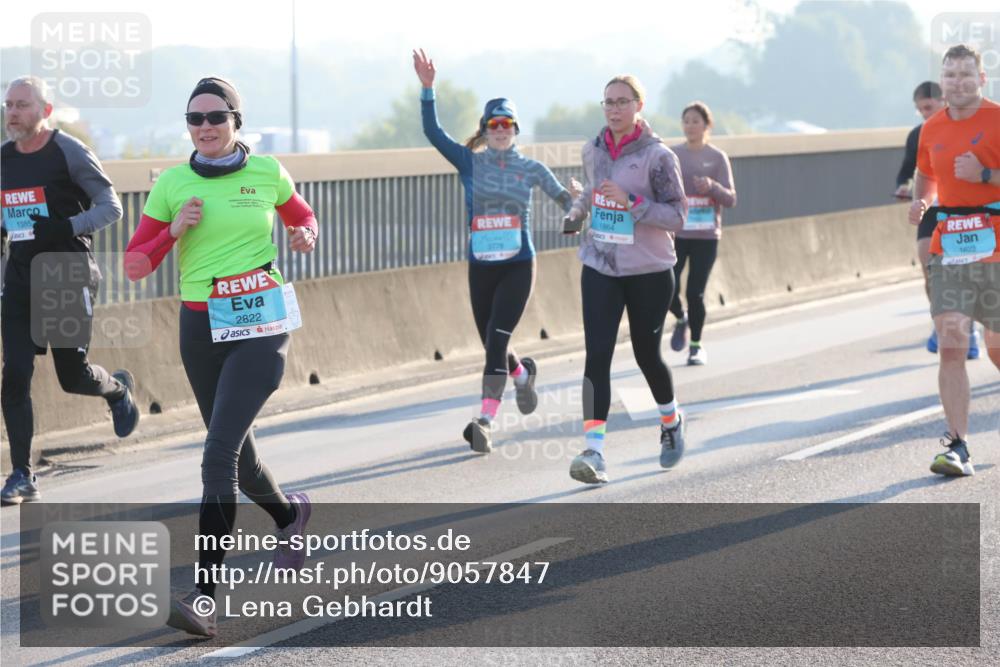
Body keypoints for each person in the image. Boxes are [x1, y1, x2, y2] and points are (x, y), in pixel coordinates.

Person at [124, 77, 318, 637]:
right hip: (201, 326)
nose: (205, 127)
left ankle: (204, 598)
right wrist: (172, 231)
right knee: (240, 459)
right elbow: (134, 265)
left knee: (217, 456)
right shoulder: (173, 184)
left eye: (216, 117)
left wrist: (305, 235)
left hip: (262, 322)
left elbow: (303, 217)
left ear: (236, 121)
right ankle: (290, 515)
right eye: (195, 119)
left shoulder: (268, 172)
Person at [412, 49, 582, 453]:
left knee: (495, 340)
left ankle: (484, 422)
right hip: (481, 265)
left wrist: (577, 204)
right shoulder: (469, 162)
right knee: (493, 342)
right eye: (494, 124)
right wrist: (428, 89)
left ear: (515, 130)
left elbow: (565, 202)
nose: (501, 130)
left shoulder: (531, 168)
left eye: (507, 124)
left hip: (518, 265)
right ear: (485, 130)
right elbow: (433, 133)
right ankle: (521, 375)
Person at [1, 76, 139, 505]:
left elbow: (111, 207)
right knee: (14, 375)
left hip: (66, 273)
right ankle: (22, 474)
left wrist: (65, 227)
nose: (12, 113)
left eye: (22, 105)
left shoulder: (69, 151)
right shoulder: (3, 158)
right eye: (8, 105)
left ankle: (118, 390)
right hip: (20, 278)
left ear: (45, 111)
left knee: (72, 377)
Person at [563, 74, 688, 484]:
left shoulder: (658, 156)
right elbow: (594, 192)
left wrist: (632, 202)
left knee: (645, 355)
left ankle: (671, 421)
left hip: (649, 269)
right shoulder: (592, 150)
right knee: (597, 355)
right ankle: (594, 452)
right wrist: (577, 212)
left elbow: (677, 215)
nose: (614, 109)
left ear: (638, 106)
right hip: (601, 264)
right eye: (608, 102)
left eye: (622, 102)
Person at [907, 44, 1000, 477]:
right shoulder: (931, 128)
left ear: (981, 79)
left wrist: (985, 175)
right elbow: (926, 174)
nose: (957, 82)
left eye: (965, 74)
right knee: (951, 343)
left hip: (997, 244)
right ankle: (957, 445)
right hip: (951, 245)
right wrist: (923, 202)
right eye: (950, 75)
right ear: (942, 81)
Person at [894, 82, 975, 357]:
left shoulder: (966, 128)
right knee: (930, 269)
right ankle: (941, 324)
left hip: (963, 209)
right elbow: (906, 170)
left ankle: (967, 327)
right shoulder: (918, 135)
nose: (924, 114)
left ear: (943, 101)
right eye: (919, 110)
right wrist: (903, 186)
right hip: (931, 209)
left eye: (928, 107)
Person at [667, 101, 736, 365]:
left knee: (695, 292)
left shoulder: (717, 157)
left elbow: (731, 199)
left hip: (706, 236)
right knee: (667, 287)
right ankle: (680, 318)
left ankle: (696, 345)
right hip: (677, 233)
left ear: (707, 125)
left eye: (696, 121)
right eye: (686, 121)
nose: (690, 126)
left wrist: (712, 187)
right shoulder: (672, 155)